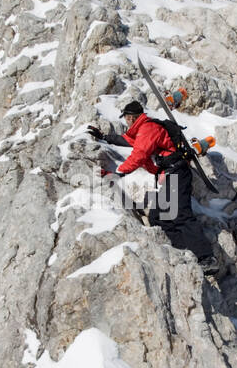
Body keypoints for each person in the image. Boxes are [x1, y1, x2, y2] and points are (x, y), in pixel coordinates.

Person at [89, 102, 219, 274]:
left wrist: (117, 173)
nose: (126, 122)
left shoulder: (148, 128)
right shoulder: (141, 130)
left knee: (180, 213)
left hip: (177, 172)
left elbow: (139, 154)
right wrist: (104, 137)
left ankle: (207, 258)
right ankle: (183, 253)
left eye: (127, 118)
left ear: (130, 117)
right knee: (159, 217)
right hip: (170, 175)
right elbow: (127, 140)